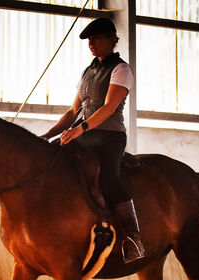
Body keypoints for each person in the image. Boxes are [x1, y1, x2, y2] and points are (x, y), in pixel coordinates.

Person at [40, 17, 145, 263]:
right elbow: (72, 111)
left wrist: (80, 130)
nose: (92, 43)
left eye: (97, 38)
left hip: (109, 135)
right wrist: (49, 134)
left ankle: (134, 238)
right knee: (50, 159)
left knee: (109, 176)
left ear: (111, 39)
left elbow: (109, 107)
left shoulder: (121, 69)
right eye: (89, 40)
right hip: (84, 133)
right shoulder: (88, 71)